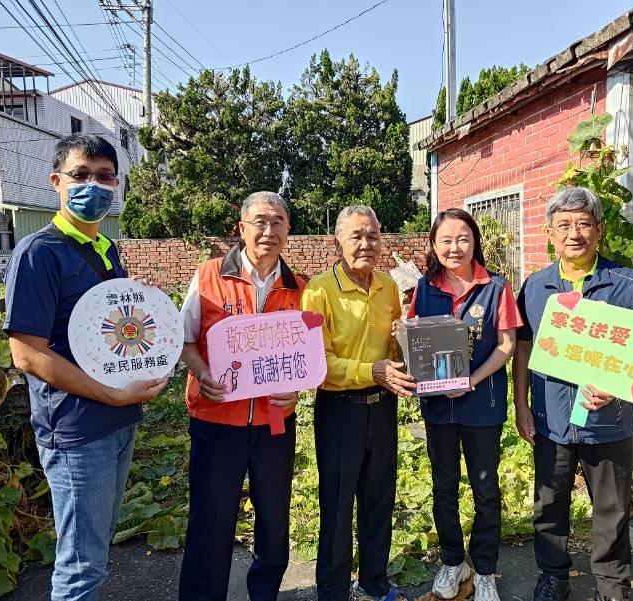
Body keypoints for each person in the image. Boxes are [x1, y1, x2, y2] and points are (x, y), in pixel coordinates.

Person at [4, 133, 168, 601]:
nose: (92, 186)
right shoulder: (39, 253)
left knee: (94, 552)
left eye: (103, 176)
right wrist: (112, 393)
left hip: (117, 420)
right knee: (80, 568)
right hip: (77, 431)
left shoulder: (107, 250)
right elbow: (28, 353)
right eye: (80, 175)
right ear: (56, 181)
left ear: (116, 184)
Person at [513, 187, 633, 601]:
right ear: (550, 233)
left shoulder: (628, 284)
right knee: (549, 504)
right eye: (564, 225)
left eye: (583, 224)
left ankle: (612, 587)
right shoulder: (537, 286)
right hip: (552, 418)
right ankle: (553, 577)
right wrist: (521, 403)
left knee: (612, 511)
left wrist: (619, 388)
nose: (574, 234)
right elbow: (522, 347)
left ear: (598, 229)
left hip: (608, 422)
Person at [177, 191, 306, 601]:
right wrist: (201, 370)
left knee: (274, 520)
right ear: (242, 228)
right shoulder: (209, 276)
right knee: (211, 521)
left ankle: (264, 594)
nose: (269, 231)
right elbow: (183, 340)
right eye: (260, 222)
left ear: (288, 230)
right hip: (216, 422)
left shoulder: (298, 286)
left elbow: (305, 357)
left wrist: (296, 389)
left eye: (278, 223)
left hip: (274, 425)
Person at [301, 205, 417, 601]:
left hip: (383, 407)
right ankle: (333, 590)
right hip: (340, 410)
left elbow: (397, 344)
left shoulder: (388, 286)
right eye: (356, 236)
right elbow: (317, 363)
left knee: (380, 498)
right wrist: (375, 371)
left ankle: (373, 581)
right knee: (337, 505)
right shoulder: (318, 291)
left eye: (373, 235)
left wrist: (408, 351)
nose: (366, 244)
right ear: (338, 242)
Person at [406, 208, 522, 601]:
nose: (454, 247)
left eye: (463, 239)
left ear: (474, 242)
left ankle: (485, 568)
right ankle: (454, 560)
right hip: (439, 406)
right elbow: (413, 340)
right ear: (434, 246)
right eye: (446, 240)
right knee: (444, 486)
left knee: (485, 488)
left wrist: (470, 380)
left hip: (481, 404)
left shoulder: (496, 287)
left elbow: (506, 345)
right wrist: (403, 336)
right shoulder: (425, 288)